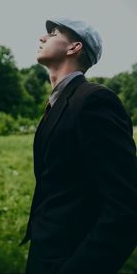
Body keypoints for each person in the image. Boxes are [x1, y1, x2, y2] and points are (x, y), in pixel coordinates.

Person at [20, 18, 137, 274]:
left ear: (74, 47)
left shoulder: (94, 101)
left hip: (69, 259)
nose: (42, 38)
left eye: (52, 33)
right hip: (46, 252)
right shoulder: (59, 103)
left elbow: (126, 207)